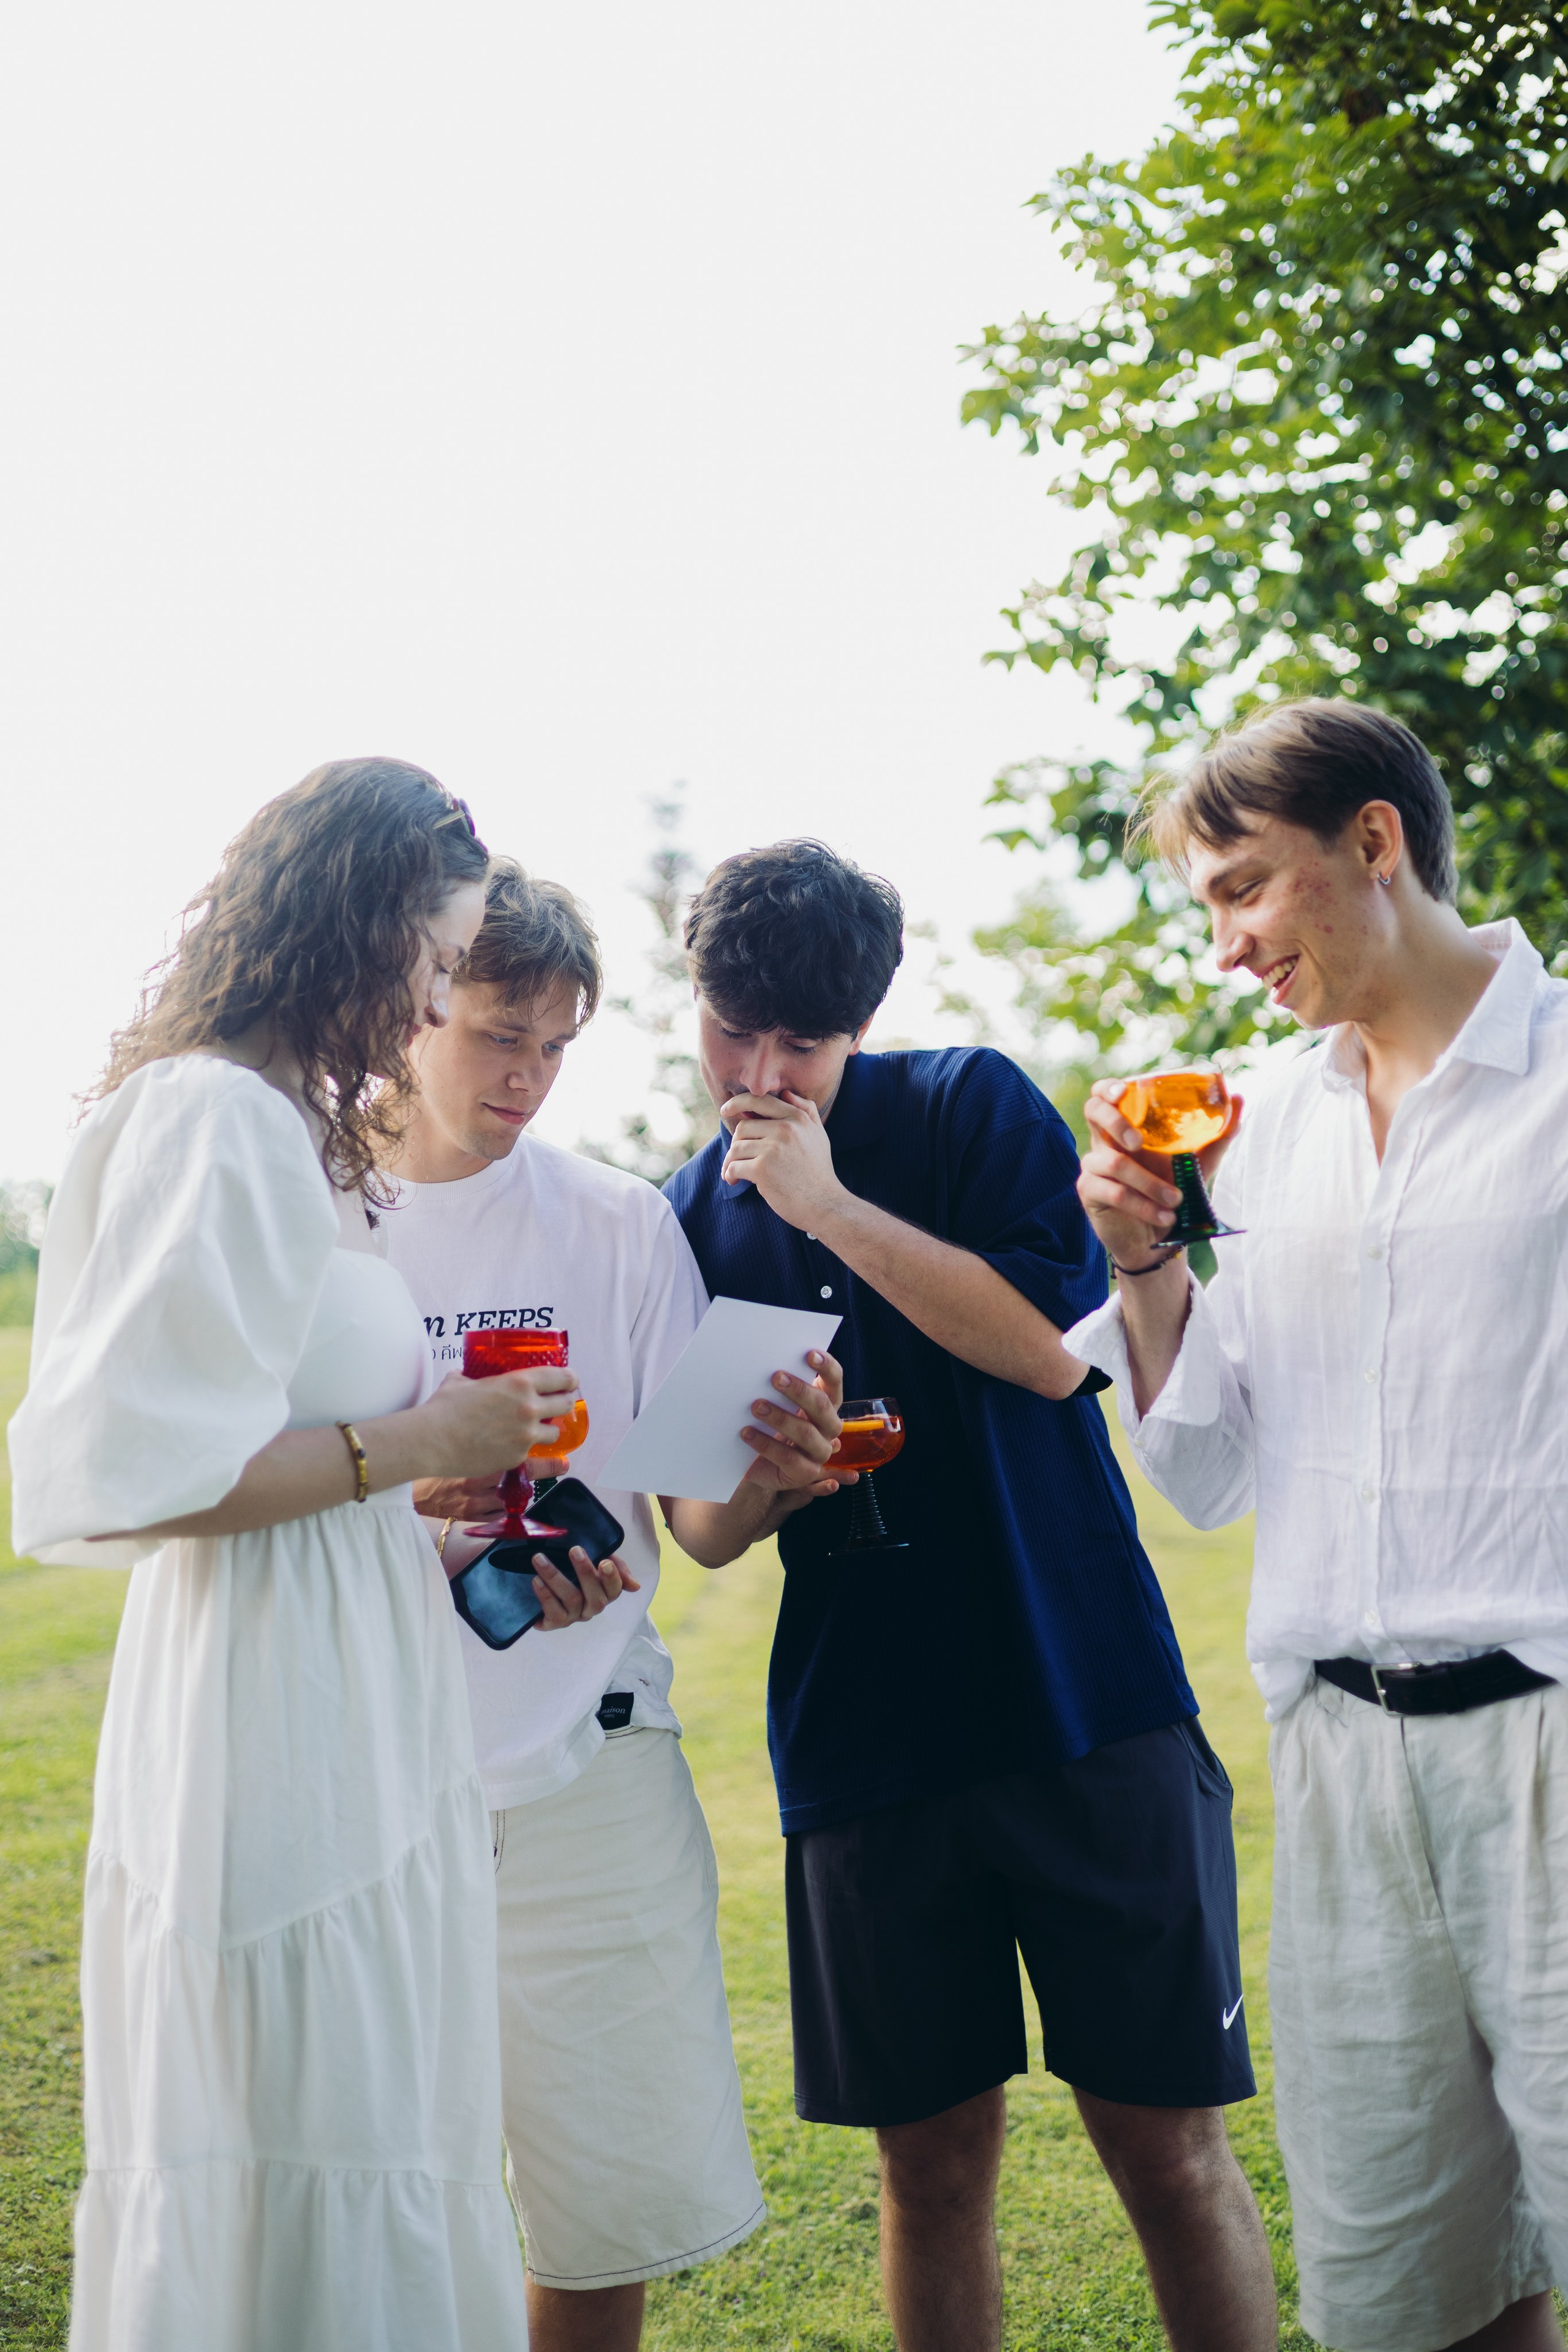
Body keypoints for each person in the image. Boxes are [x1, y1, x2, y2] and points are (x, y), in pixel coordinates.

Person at [662, 839, 1276, 2352]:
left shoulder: (968, 1104)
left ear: (863, 1024)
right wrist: (772, 1477)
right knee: (927, 2171)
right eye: (733, 1030)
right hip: (863, 1745)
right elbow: (703, 1530)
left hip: (1081, 1701)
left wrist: (827, 1210)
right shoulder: (687, 1212)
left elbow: (1056, 1356)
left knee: (1164, 2145)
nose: (761, 1074)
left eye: (802, 1042)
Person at [8, 761, 580, 2352]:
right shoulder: (214, 1117)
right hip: (269, 1711)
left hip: (342, 1674)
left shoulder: (280, 1129)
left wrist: (428, 1502)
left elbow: (282, 1440)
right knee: (305, 2107)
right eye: (435, 958)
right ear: (355, 924)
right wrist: (424, 1438)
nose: (437, 1000)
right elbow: (138, 1469)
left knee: (369, 2103)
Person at [1070, 698, 1568, 2352]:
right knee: (1412, 2284)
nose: (1222, 946)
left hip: (1552, 1746)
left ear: (1373, 842)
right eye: (1205, 905)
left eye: (1242, 890)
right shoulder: (1260, 1126)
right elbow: (1209, 1469)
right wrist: (1147, 1265)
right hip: (1341, 1766)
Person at [380, 858, 847, 2352]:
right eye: (496, 1035)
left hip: (592, 1760)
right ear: (411, 1003)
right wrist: (406, 1492)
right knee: (382, 2204)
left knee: (599, 2213)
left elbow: (695, 1530)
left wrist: (779, 1470)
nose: (527, 1078)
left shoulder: (616, 1224)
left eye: (556, 1045)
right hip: (366, 1770)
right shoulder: (311, 1215)